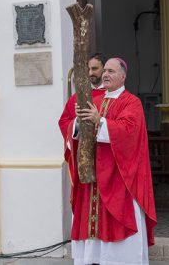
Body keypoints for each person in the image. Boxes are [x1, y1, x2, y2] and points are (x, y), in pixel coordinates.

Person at [67, 57, 157, 265]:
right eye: (105, 71)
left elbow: (129, 132)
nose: (106, 74)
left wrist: (101, 121)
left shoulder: (131, 102)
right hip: (94, 175)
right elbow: (79, 134)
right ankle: (93, 260)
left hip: (119, 176)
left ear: (123, 76)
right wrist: (78, 124)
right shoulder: (95, 101)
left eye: (111, 71)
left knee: (117, 221)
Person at [58, 53, 107, 155]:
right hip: (84, 153)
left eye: (94, 69)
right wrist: (77, 122)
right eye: (88, 69)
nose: (90, 73)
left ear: (104, 69)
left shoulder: (112, 94)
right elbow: (63, 122)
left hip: (105, 153)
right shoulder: (77, 97)